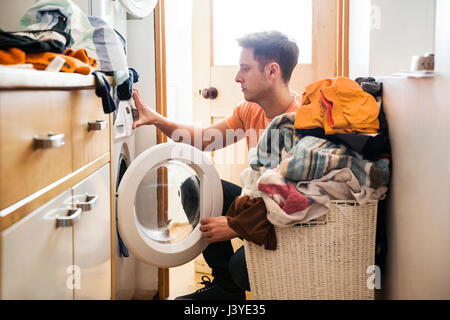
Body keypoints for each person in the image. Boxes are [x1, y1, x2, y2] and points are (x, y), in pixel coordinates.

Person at [132, 30, 301, 300]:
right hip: (260, 203)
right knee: (194, 188)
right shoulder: (250, 110)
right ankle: (225, 292)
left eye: (245, 68)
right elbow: (202, 140)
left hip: (290, 221)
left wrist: (236, 225)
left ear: (272, 71)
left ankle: (235, 279)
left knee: (241, 268)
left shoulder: (301, 122)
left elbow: (296, 204)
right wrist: (155, 119)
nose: (237, 77)